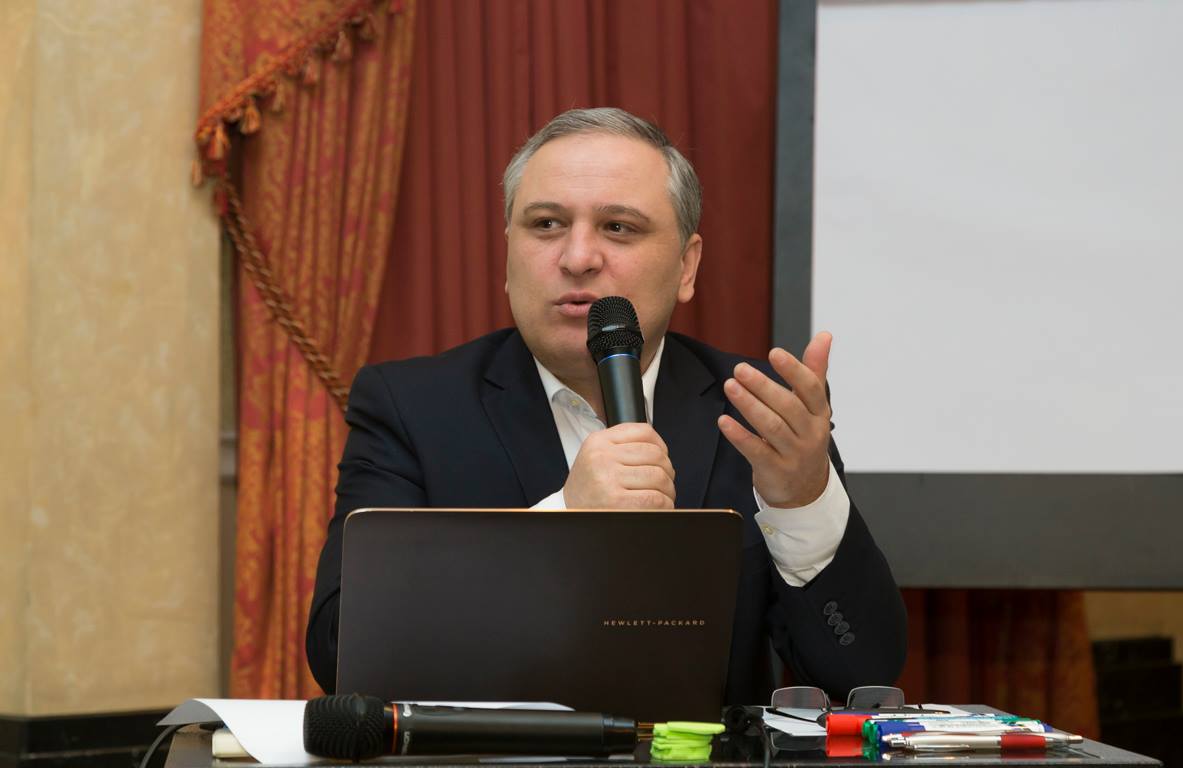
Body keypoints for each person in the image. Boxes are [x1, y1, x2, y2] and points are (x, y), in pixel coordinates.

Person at [306, 107, 906, 703]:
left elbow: (863, 675)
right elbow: (343, 654)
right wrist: (563, 521)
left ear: (687, 266)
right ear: (508, 256)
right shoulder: (412, 409)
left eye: (618, 227)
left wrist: (803, 505)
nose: (577, 258)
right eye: (546, 224)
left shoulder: (760, 414)